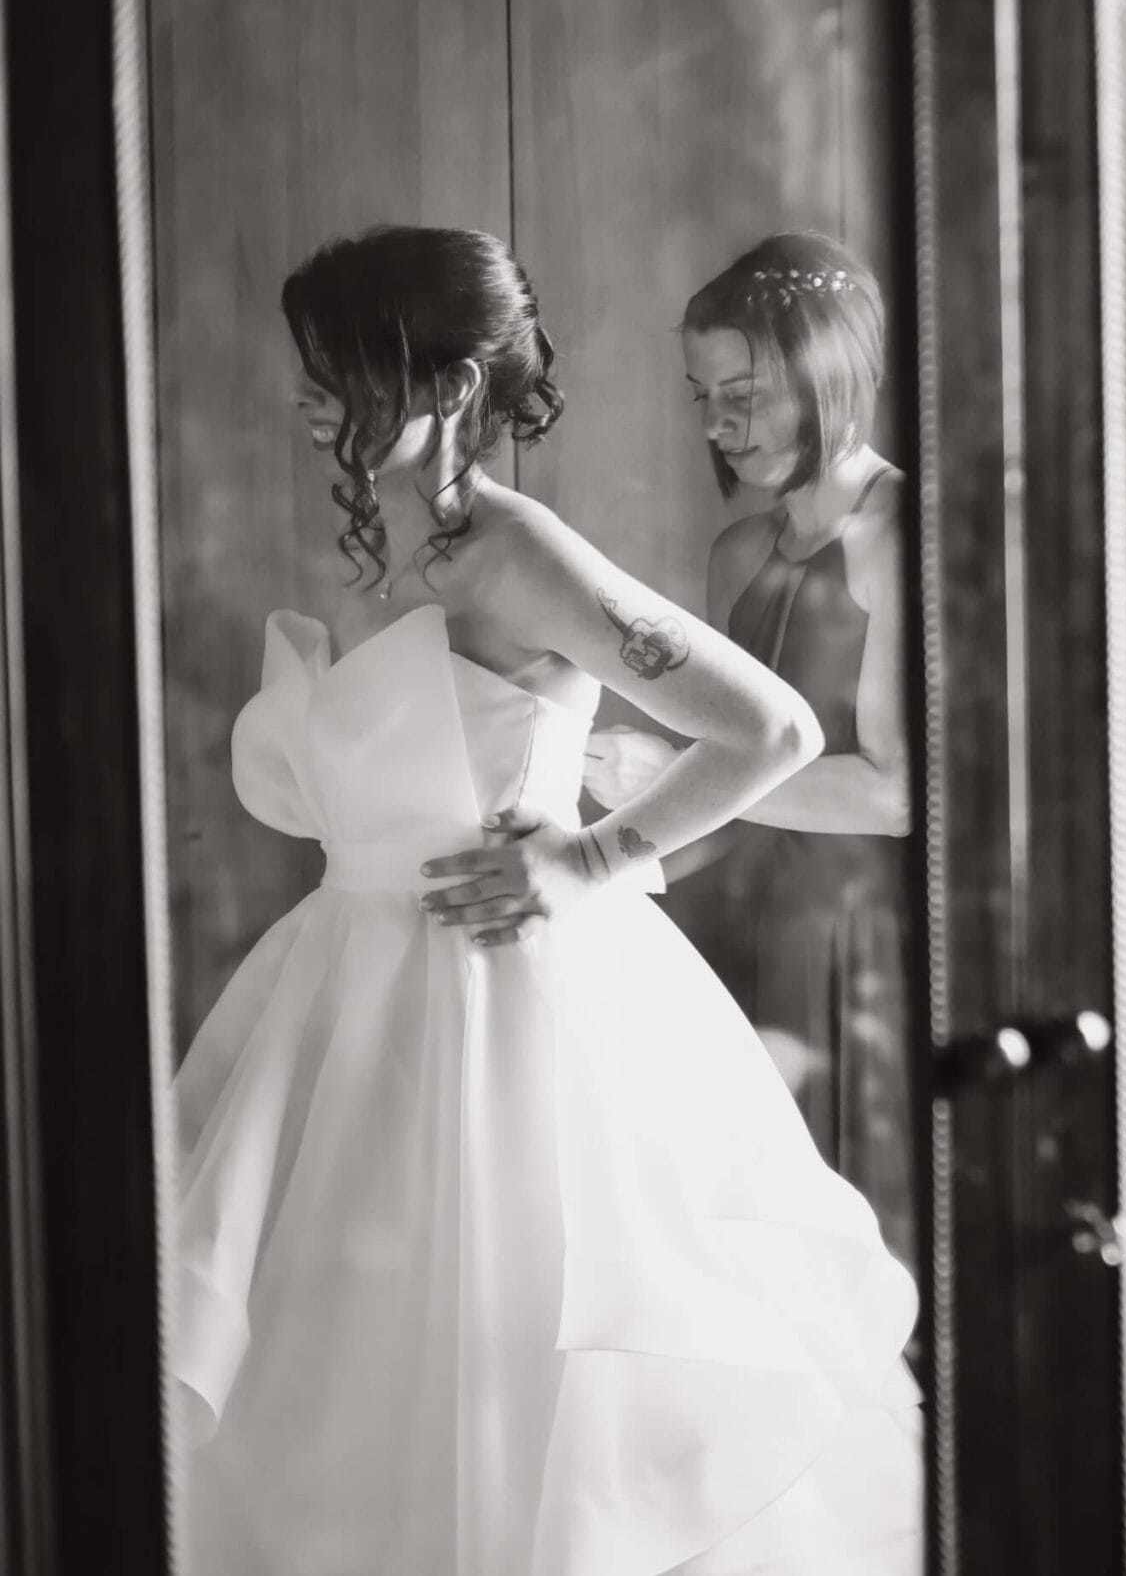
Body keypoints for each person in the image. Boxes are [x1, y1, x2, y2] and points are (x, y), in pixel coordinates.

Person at [169, 226, 923, 1575]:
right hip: (344, 1009)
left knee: (517, 1377)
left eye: (342, 368)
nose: (309, 396)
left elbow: (774, 729)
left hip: (497, 1007)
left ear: (454, 385)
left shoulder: (513, 550)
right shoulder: (382, 554)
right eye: (314, 367)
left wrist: (589, 859)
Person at [583, 232, 913, 1268]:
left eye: (745, 393)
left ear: (831, 375)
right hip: (736, 932)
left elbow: (897, 794)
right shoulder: (737, 553)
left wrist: (676, 777)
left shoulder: (903, 535)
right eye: (702, 395)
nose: (717, 426)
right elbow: (728, 794)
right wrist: (601, 844)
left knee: (854, 1232)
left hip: (863, 946)